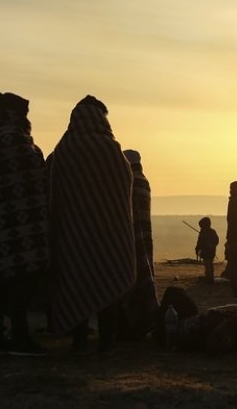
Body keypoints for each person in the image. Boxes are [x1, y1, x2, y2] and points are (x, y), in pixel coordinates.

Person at [48, 95, 136, 353]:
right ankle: (107, 340)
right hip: (109, 234)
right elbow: (124, 189)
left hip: (73, 234)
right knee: (107, 282)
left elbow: (56, 193)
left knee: (76, 284)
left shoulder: (65, 149)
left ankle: (79, 340)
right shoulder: (112, 150)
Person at [0, 92, 49, 356]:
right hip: (21, 224)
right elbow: (39, 174)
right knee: (21, 277)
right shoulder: (17, 139)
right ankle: (19, 337)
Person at [119, 149, 159, 340]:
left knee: (130, 279)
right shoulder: (143, 181)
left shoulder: (130, 183)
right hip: (144, 237)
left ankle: (131, 325)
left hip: (130, 238)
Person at [195, 217, 219, 285]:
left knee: (207, 265)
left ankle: (209, 279)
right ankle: (211, 278)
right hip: (212, 252)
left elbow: (199, 243)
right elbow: (217, 241)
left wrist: (197, 249)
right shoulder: (213, 231)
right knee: (210, 265)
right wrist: (213, 246)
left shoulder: (203, 233)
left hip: (206, 252)